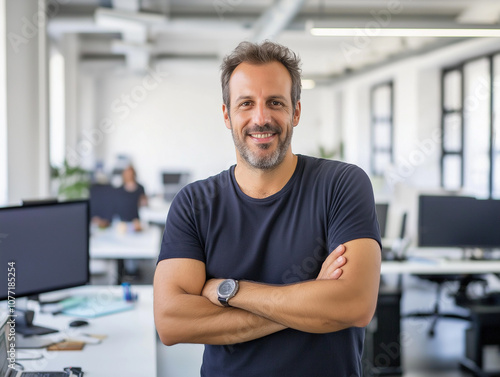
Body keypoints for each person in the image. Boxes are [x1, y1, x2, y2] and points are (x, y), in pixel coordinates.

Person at [154, 41, 381, 377]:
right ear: (227, 115)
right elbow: (172, 323)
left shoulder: (341, 185)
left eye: (275, 102)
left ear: (296, 111)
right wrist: (308, 303)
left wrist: (228, 290)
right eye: (246, 103)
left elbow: (353, 305)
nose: (261, 118)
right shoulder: (195, 203)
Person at [117, 164, 148, 231]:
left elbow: (144, 204)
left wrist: (144, 202)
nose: (129, 175)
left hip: (136, 221)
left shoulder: (140, 188)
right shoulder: (119, 190)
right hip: (122, 222)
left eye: (130, 173)